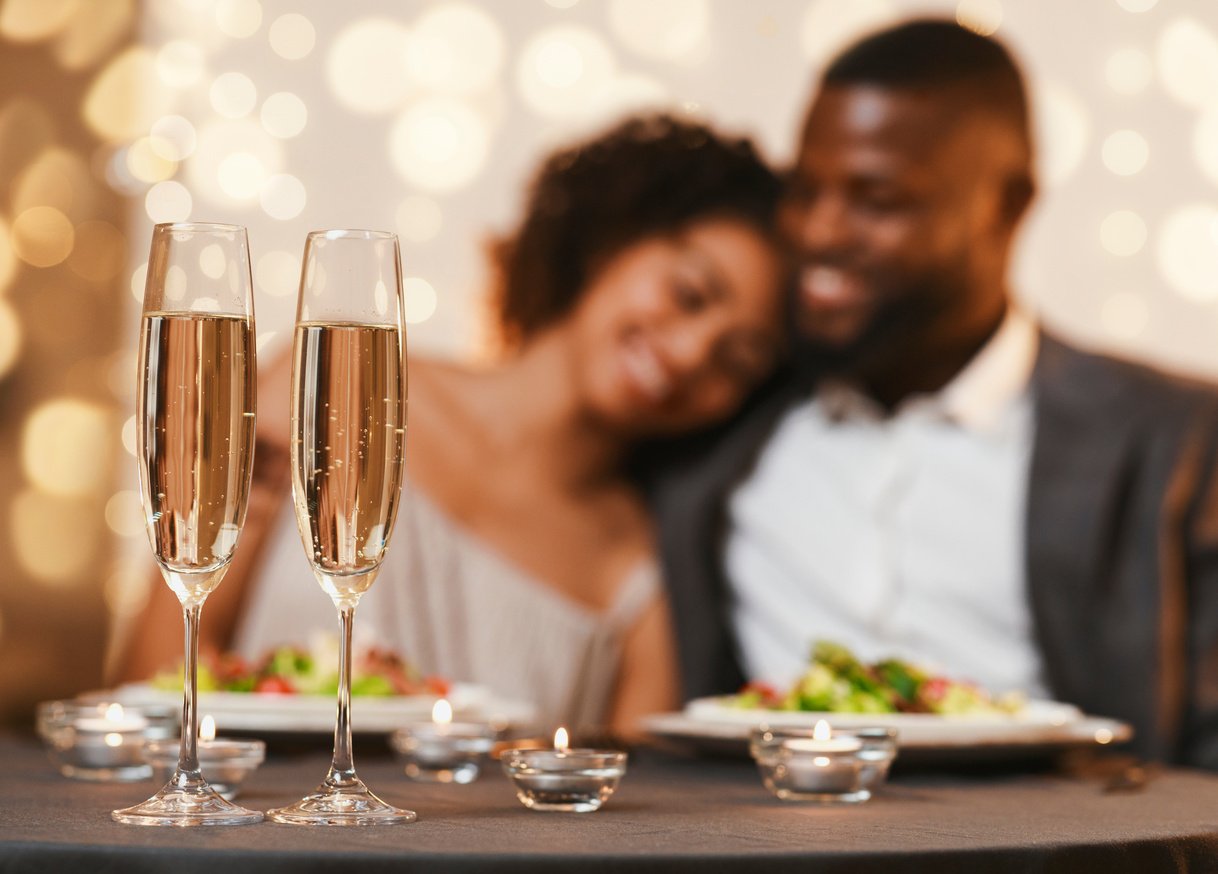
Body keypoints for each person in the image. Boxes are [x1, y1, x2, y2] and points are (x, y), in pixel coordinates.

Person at [650, 20, 1218, 768]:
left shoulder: (1171, 438)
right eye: (805, 189)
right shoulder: (721, 412)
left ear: (1006, 207)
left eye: (875, 199)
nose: (818, 232)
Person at [118, 114, 788, 735]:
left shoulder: (638, 578)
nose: (691, 353)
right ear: (612, 238)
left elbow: (637, 829)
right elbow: (149, 682)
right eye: (689, 294)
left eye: (737, 360)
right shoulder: (326, 390)